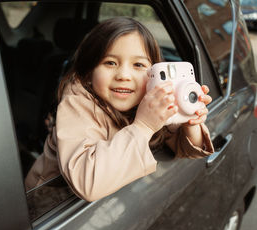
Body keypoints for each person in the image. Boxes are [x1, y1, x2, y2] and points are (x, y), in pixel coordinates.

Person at [25, 17, 214, 202]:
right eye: (110, 63)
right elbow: (88, 183)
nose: (124, 75)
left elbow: (184, 150)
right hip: (43, 204)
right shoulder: (77, 104)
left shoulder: (149, 101)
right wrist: (144, 126)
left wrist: (191, 122)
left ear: (153, 74)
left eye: (138, 65)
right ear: (89, 72)